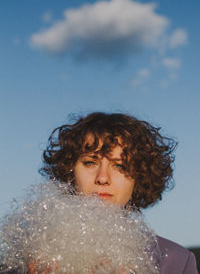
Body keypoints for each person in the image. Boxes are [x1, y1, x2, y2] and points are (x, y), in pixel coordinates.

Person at [38, 112, 198, 273]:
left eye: (119, 166)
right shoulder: (31, 253)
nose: (102, 178)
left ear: (140, 176)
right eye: (90, 162)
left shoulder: (177, 261)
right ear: (70, 171)